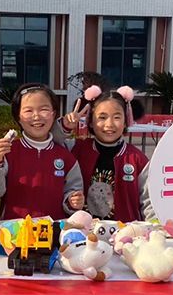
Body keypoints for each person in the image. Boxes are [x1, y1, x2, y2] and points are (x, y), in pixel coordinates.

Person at [0, 83, 84, 220]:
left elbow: (73, 190)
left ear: (53, 114)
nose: (36, 116)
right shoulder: (8, 152)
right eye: (28, 111)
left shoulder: (65, 156)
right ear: (18, 117)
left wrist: (72, 201)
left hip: (54, 228)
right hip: (15, 228)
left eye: (44, 109)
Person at [61, 85, 153, 222]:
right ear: (90, 121)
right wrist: (64, 127)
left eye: (117, 117)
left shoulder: (137, 159)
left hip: (125, 232)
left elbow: (149, 202)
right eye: (102, 117)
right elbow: (47, 142)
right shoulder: (76, 149)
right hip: (84, 231)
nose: (109, 124)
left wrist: (155, 227)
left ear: (126, 121)